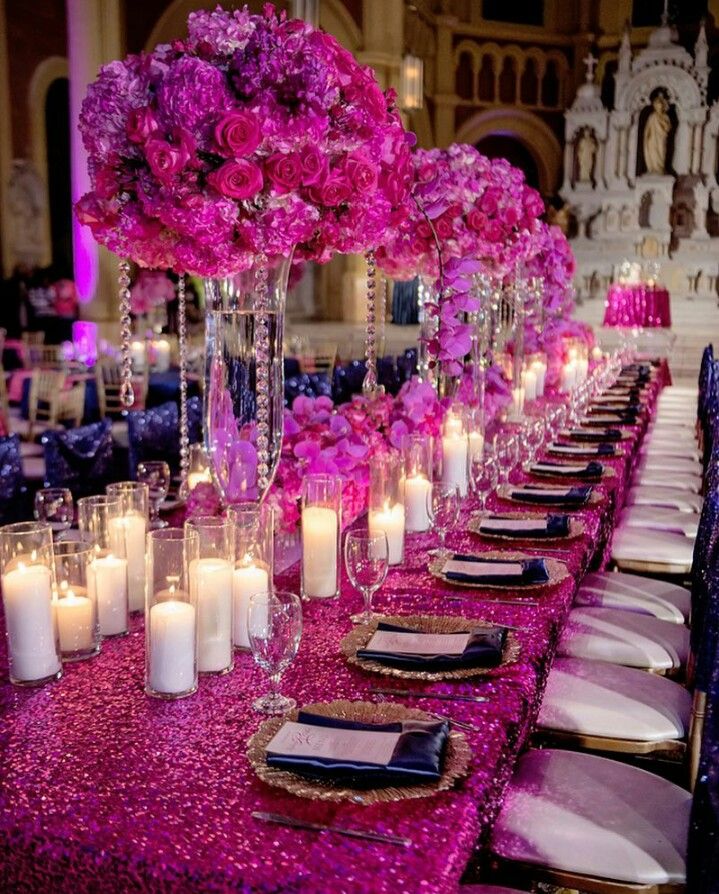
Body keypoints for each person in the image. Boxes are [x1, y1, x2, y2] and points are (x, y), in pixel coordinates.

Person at [644, 92, 672, 175]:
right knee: (652, 153)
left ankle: (660, 168)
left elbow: (668, 127)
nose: (659, 107)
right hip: (652, 139)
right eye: (657, 105)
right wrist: (646, 135)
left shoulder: (665, 117)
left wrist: (662, 122)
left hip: (661, 138)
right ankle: (652, 168)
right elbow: (647, 128)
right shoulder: (652, 116)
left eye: (660, 106)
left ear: (663, 106)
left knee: (661, 152)